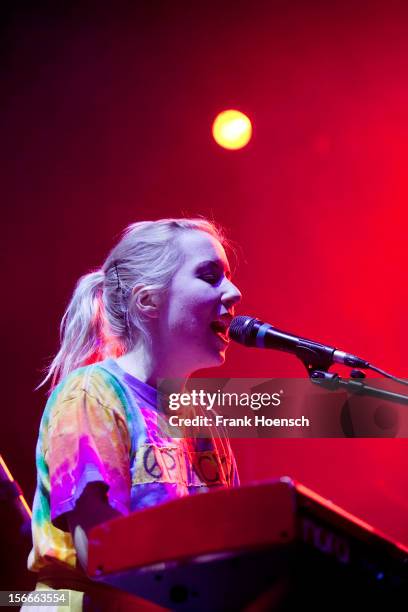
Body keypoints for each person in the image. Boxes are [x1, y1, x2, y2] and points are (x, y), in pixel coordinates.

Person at [26, 218, 242, 611]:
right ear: (148, 301)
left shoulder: (201, 420)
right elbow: (102, 553)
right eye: (210, 276)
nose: (234, 292)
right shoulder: (92, 394)